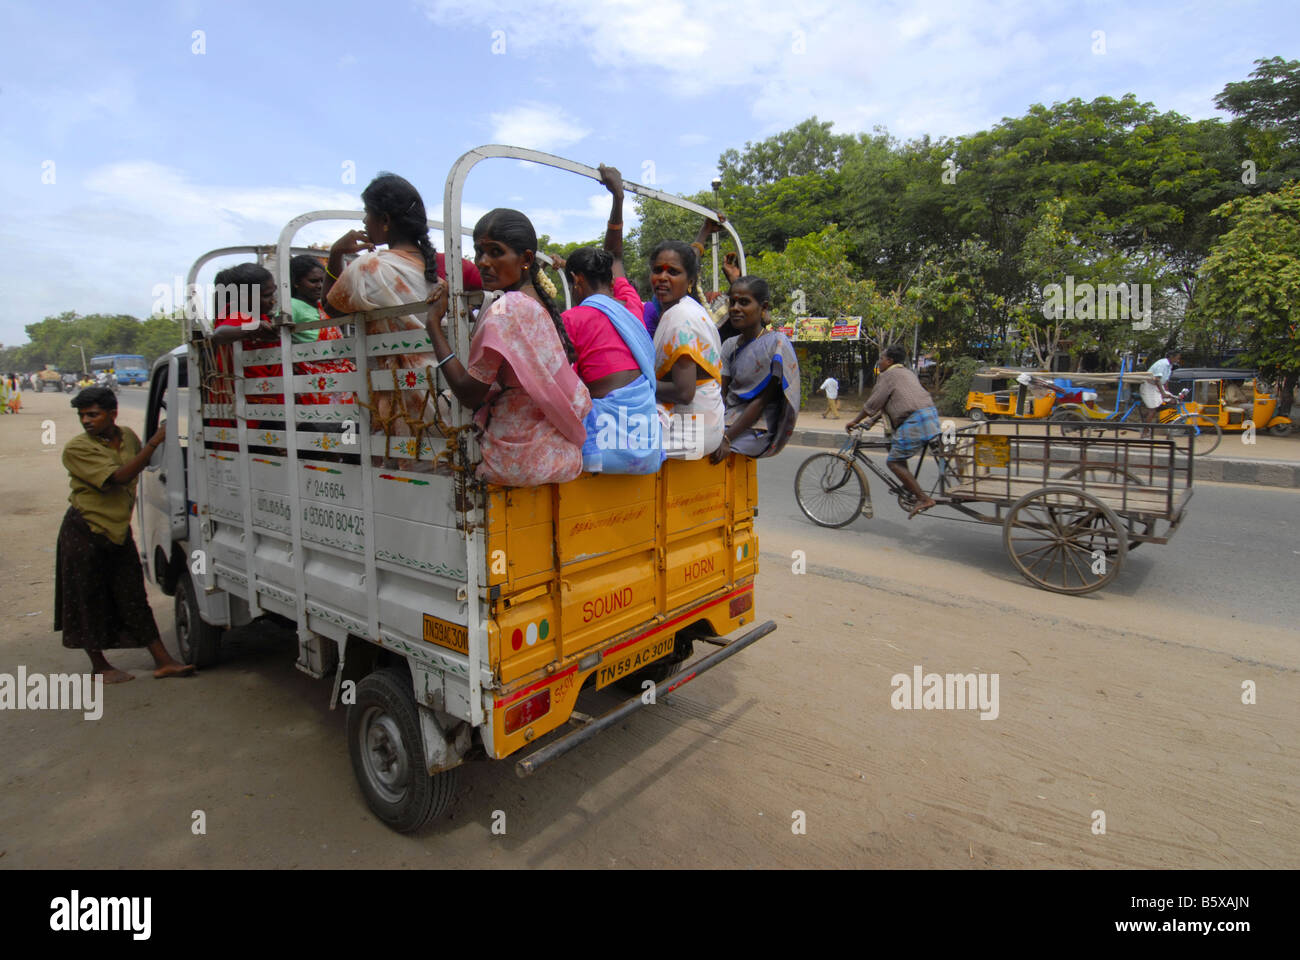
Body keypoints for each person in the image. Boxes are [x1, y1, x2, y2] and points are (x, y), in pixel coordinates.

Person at [323, 172, 482, 466]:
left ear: (384, 220)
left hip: (404, 404)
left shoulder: (368, 268)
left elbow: (331, 307)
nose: (363, 223)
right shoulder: (438, 271)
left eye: (367, 215)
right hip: (446, 392)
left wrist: (336, 254)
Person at [424, 208, 591, 486]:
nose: (483, 262)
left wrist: (433, 325)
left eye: (495, 252)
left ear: (525, 259)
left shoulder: (506, 310)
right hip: (560, 452)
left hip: (518, 458)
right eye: (479, 252)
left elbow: (468, 393)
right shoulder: (538, 303)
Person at [55, 387, 195, 682]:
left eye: (93, 414)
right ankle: (100, 667)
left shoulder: (128, 437)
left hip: (116, 531)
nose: (87, 421)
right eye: (83, 416)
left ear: (112, 413)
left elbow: (149, 459)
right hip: (85, 531)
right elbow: (120, 477)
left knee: (133, 596)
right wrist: (155, 441)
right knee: (87, 597)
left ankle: (163, 661)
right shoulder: (77, 449)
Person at [558, 245, 663, 473]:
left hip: (603, 449)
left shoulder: (572, 319)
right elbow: (617, 258)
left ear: (577, 280)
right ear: (611, 280)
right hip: (646, 442)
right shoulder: (633, 307)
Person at [648, 239, 725, 459]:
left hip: (691, 432)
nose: (663, 277)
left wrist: (641, 381)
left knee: (607, 438)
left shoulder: (681, 317)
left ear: (689, 280)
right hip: (706, 424)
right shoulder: (687, 309)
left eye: (673, 272)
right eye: (657, 271)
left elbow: (684, 392)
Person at [710, 276, 800, 463]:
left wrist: (727, 438)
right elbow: (722, 394)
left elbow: (761, 401)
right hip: (728, 419)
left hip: (758, 427)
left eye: (744, 303)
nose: (735, 308)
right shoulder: (729, 346)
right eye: (732, 302)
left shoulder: (776, 344)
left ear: (763, 308)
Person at [846, 345, 942, 518]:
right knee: (896, 450)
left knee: (893, 462)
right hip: (930, 417)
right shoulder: (906, 373)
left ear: (889, 361)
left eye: (881, 359)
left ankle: (923, 498)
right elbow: (885, 405)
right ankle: (909, 486)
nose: (879, 362)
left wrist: (855, 421)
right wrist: (868, 423)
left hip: (915, 422)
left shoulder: (888, 375)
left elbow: (873, 403)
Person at [288, 254, 354, 406]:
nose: (319, 286)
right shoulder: (292, 306)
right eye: (313, 281)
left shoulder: (320, 306)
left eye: (321, 281)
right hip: (316, 385)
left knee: (348, 427)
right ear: (296, 282)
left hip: (339, 382)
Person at [1139, 348, 1182, 431]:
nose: (1178, 360)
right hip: (1149, 386)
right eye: (1177, 358)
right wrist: (1163, 393)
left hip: (1157, 386)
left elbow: (1165, 381)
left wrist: (1168, 393)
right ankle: (1145, 431)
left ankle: (1148, 416)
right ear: (1172, 357)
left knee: (1173, 401)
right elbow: (1157, 379)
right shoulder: (1162, 364)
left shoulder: (1170, 366)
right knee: (1152, 409)